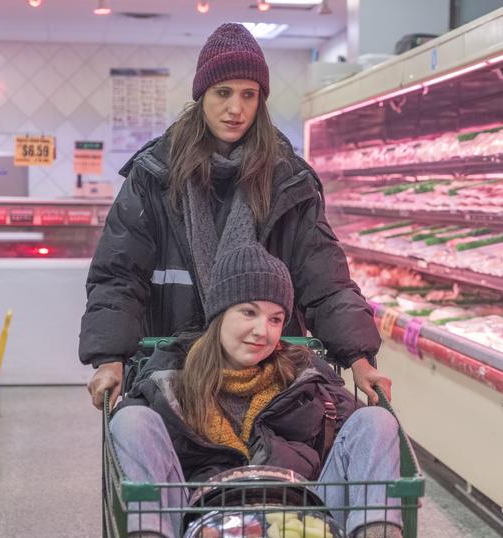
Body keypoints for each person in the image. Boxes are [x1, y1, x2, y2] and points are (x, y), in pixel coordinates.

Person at [80, 22, 390, 410]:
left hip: (272, 376)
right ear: (202, 95)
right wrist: (109, 358)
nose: (235, 109)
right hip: (175, 374)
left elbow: (325, 279)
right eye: (222, 93)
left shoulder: (288, 181)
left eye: (249, 94)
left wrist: (358, 358)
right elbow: (118, 275)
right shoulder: (155, 176)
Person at [109, 227, 403, 538]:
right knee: (131, 419)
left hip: (302, 518)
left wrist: (361, 364)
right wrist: (108, 365)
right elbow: (134, 437)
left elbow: (364, 439)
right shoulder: (170, 377)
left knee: (376, 420)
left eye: (275, 319)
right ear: (218, 315)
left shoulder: (305, 375)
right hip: (201, 516)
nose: (262, 331)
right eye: (248, 312)